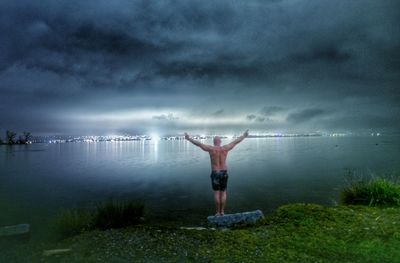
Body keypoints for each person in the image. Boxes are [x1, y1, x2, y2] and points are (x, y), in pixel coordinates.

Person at [184, 129, 249, 216]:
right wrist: (244, 136)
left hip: (215, 173)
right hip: (224, 172)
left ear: (214, 142)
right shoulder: (225, 148)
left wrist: (189, 139)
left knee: (216, 193)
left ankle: (217, 212)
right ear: (220, 141)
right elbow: (236, 141)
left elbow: (198, 144)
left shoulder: (211, 149)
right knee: (223, 192)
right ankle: (222, 211)